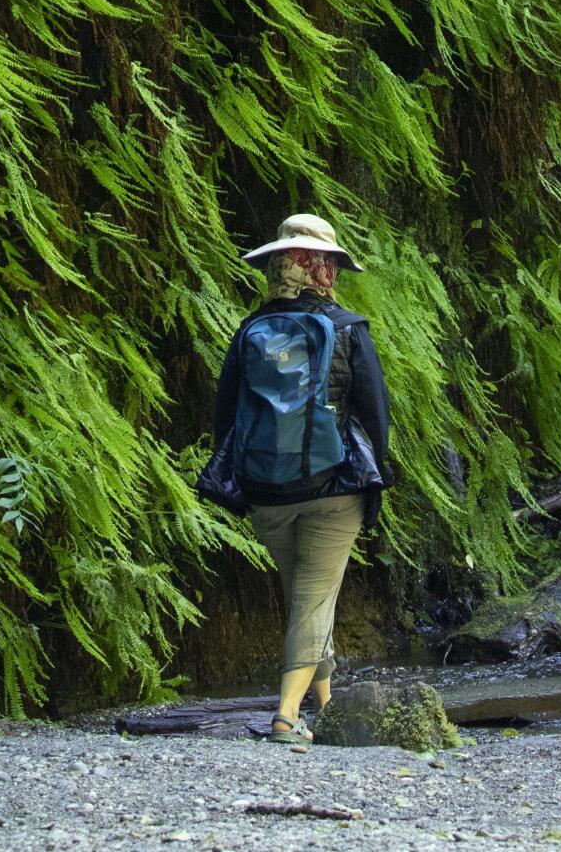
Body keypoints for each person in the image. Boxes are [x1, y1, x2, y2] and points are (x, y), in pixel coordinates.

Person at [205, 209, 392, 749]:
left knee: (306, 594)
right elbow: (374, 413)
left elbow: (225, 417)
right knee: (314, 597)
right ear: (325, 268)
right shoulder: (348, 329)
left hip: (266, 489)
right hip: (334, 489)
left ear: (279, 265)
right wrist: (371, 476)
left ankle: (327, 706)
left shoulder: (249, 332)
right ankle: (286, 718)